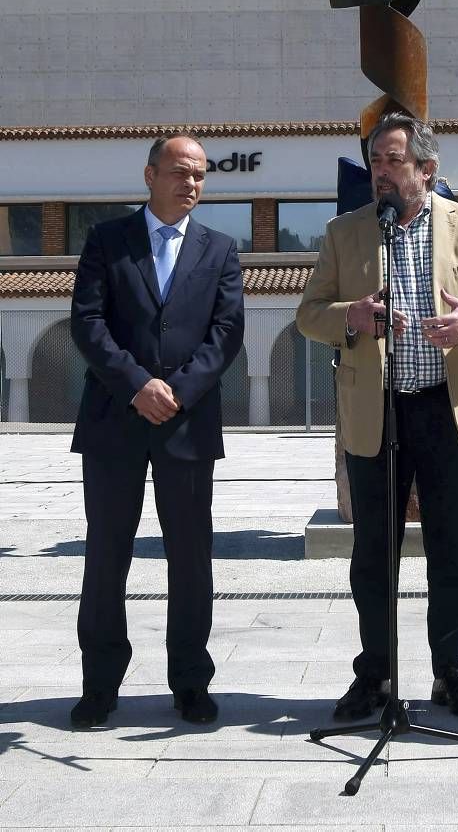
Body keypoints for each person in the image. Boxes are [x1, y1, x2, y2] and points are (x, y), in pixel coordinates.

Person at [296, 111, 458, 720]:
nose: (381, 173)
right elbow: (309, 313)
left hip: (448, 413)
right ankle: (374, 674)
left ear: (427, 169)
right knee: (374, 551)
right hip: (378, 413)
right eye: (375, 162)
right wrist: (354, 314)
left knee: (454, 549)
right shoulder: (344, 232)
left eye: (393, 162)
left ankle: (450, 671)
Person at [69, 134, 244, 729]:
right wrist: (137, 385)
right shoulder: (106, 241)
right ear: (150, 175)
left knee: (191, 557)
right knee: (106, 553)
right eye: (179, 172)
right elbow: (88, 324)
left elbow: (226, 335)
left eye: (199, 175)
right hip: (115, 422)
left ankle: (190, 681)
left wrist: (179, 391)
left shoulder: (221, 249)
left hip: (187, 425)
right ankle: (99, 684)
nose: (190, 183)